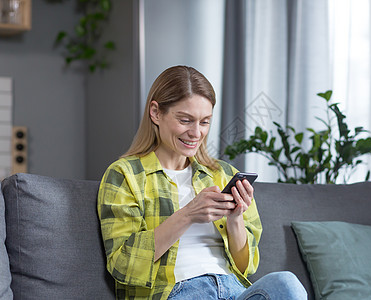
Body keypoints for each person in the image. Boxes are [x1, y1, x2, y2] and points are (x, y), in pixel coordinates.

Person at [97, 65, 307, 300]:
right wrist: (187, 215)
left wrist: (235, 219)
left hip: (234, 291)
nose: (196, 133)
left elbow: (247, 267)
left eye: (204, 122)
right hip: (177, 292)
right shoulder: (125, 175)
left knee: (286, 284)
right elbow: (123, 264)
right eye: (185, 120)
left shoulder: (223, 174)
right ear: (156, 112)